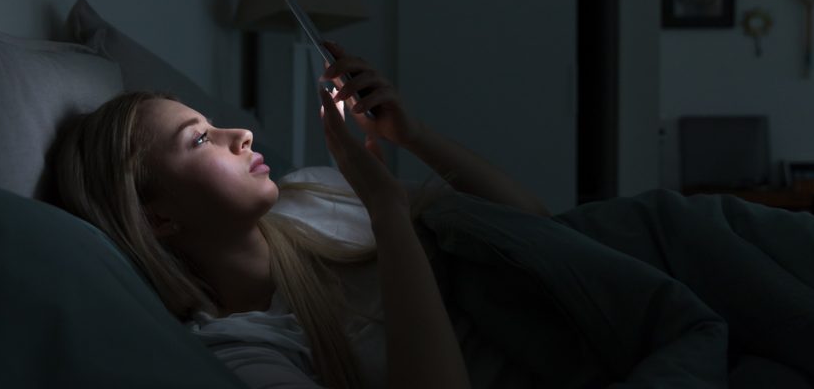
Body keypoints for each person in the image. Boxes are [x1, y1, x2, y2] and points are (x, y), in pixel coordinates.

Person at [53, 42, 549, 389]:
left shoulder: (313, 189)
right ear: (158, 218)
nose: (241, 133)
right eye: (200, 139)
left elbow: (538, 230)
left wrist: (413, 135)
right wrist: (387, 213)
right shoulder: (241, 351)